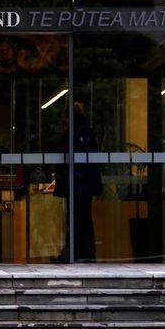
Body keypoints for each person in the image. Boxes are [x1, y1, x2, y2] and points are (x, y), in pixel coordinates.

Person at [53, 102, 102, 262]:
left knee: (78, 218)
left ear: (68, 116)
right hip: (80, 184)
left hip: (78, 185)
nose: (62, 120)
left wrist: (73, 178)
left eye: (64, 117)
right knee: (81, 218)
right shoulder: (81, 131)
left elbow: (80, 159)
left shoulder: (78, 133)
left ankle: (78, 253)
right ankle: (80, 252)